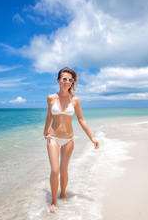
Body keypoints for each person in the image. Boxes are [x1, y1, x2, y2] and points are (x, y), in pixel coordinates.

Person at [43, 67, 100, 213]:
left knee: (64, 170)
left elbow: (81, 119)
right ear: (59, 80)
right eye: (64, 79)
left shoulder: (75, 100)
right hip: (53, 138)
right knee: (55, 171)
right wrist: (45, 130)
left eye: (70, 79)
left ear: (72, 82)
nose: (67, 82)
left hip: (68, 139)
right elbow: (50, 116)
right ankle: (54, 201)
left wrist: (92, 138)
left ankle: (62, 194)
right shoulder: (51, 98)